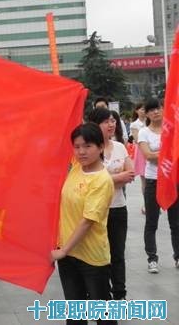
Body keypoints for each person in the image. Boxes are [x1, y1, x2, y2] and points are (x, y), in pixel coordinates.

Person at [51, 123, 116, 325]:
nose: (81, 151)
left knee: (103, 314)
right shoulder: (77, 167)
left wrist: (63, 251)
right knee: (75, 313)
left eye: (87, 146)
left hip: (91, 258)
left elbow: (87, 221)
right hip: (68, 254)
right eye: (77, 146)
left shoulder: (102, 180)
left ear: (100, 147)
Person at [89, 108, 134, 300]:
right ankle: (101, 294)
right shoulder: (90, 149)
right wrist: (117, 177)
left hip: (118, 207)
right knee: (98, 254)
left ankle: (119, 294)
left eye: (113, 121)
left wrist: (108, 179)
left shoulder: (120, 147)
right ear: (95, 125)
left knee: (117, 253)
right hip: (96, 210)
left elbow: (130, 174)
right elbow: (91, 180)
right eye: (106, 121)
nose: (111, 124)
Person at [138, 98, 179, 273]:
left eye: (158, 108)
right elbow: (148, 156)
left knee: (175, 222)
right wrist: (169, 152)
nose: (155, 112)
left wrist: (160, 154)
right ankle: (152, 259)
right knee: (151, 222)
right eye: (151, 110)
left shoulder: (171, 129)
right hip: (153, 181)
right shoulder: (144, 132)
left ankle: (177, 256)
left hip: (172, 180)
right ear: (146, 114)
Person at [130, 103, 147, 214]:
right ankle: (146, 204)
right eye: (141, 109)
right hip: (141, 152)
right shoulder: (134, 124)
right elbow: (137, 139)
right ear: (137, 111)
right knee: (144, 180)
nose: (143, 111)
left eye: (145, 109)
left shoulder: (150, 121)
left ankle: (154, 203)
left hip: (152, 150)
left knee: (154, 180)